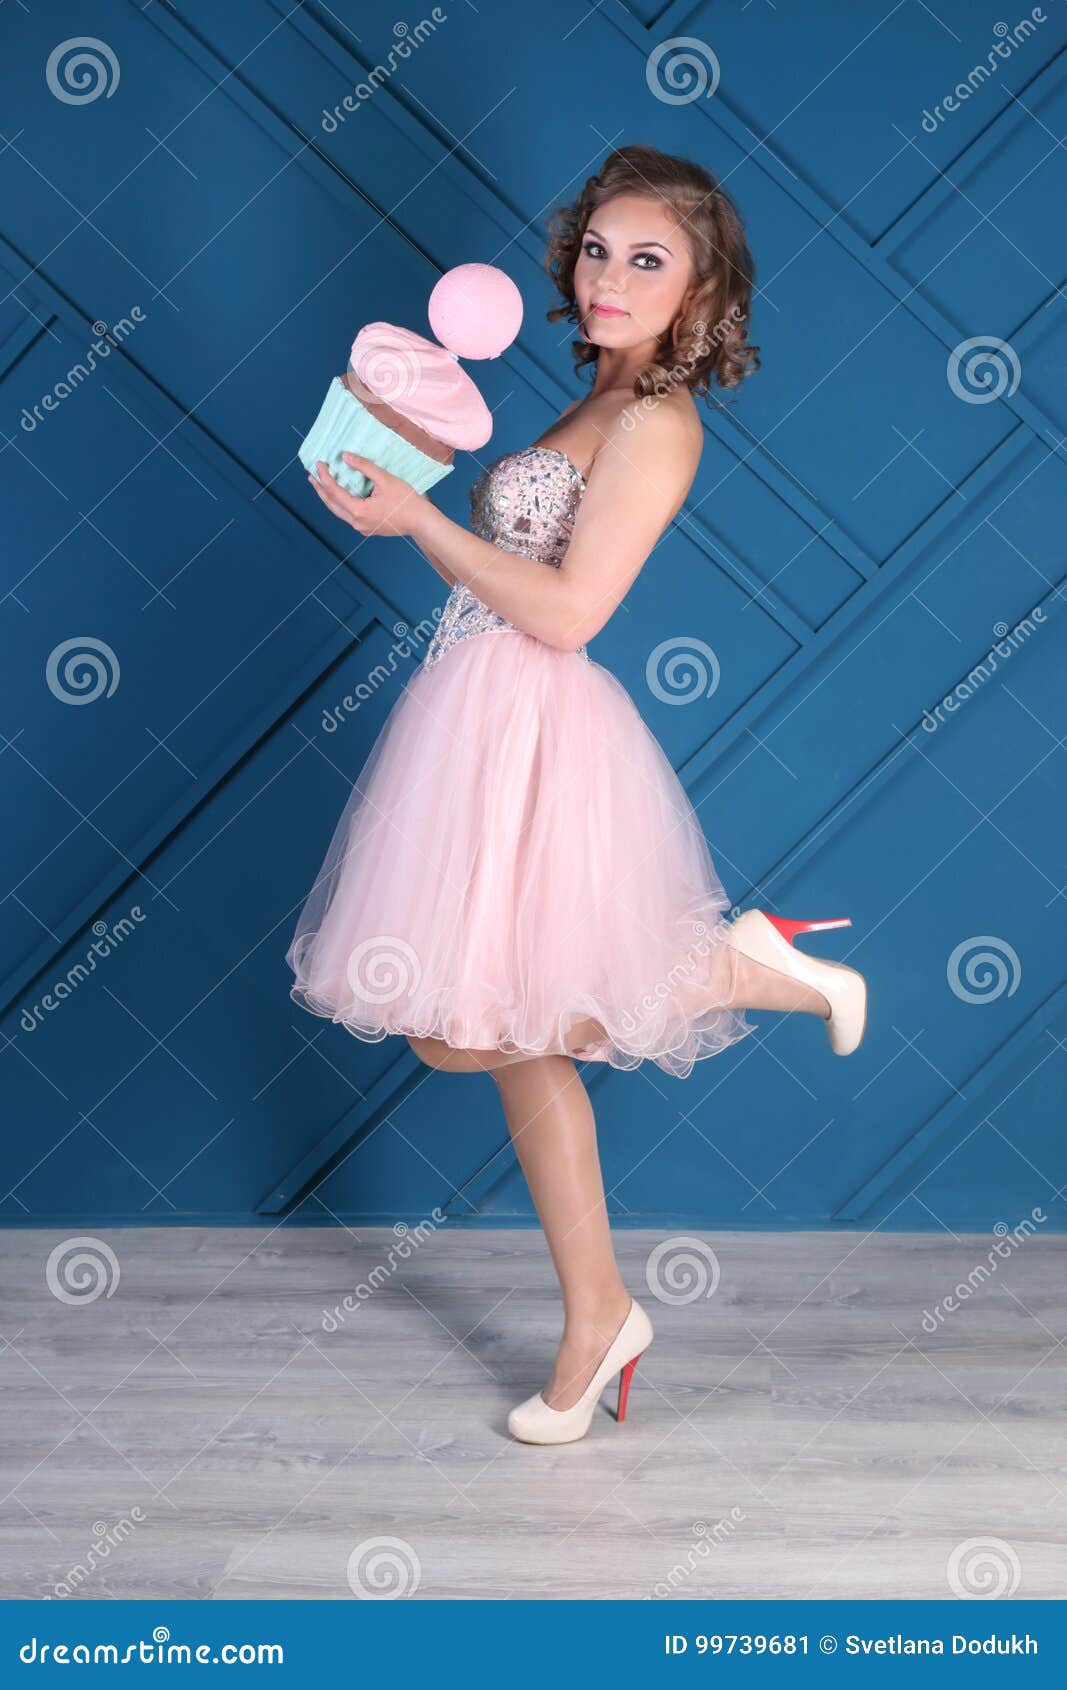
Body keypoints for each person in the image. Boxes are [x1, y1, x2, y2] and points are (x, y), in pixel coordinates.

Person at [290, 143, 868, 1445]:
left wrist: (419, 525)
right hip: (477, 719)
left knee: (465, 1025)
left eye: (647, 260)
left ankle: (762, 966)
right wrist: (381, 482)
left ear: (700, 291)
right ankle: (599, 1309)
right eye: (599, 250)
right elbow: (508, 558)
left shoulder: (660, 423)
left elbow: (568, 610)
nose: (610, 277)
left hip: (539, 724)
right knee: (516, 1028)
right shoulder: (590, 399)